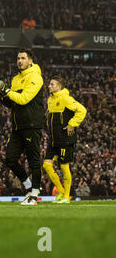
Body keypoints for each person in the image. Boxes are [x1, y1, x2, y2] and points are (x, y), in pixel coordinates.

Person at [0, 49, 44, 206]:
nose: (19, 61)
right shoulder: (15, 79)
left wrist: (5, 89)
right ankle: (28, 189)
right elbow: (12, 103)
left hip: (31, 124)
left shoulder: (35, 77)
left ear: (30, 61)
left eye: (23, 58)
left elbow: (24, 99)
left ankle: (34, 195)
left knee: (34, 160)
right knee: (10, 159)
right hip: (17, 126)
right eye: (18, 58)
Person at [43, 75, 87, 204]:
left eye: (52, 84)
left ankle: (66, 197)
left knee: (64, 166)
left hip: (65, 139)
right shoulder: (50, 100)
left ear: (59, 86)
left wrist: (72, 124)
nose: (49, 86)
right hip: (53, 140)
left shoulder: (66, 98)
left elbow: (82, 110)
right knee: (46, 165)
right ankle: (61, 191)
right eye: (49, 84)